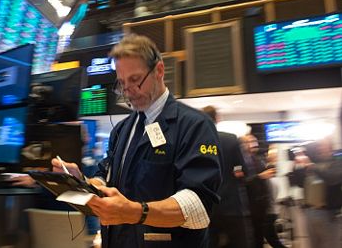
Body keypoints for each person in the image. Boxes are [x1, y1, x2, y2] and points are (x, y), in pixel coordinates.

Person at [52, 34, 222, 248]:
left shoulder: (195, 125)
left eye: (135, 80)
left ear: (159, 70)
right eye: (122, 83)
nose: (128, 91)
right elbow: (105, 177)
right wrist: (83, 183)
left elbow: (198, 205)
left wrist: (135, 212)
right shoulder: (122, 130)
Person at [202, 106, 252, 248]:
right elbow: (245, 170)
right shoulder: (230, 139)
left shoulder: (194, 141)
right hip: (232, 205)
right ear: (217, 119)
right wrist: (237, 176)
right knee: (239, 243)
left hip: (206, 207)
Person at [289, 137, 342, 248]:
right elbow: (300, 183)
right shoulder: (314, 163)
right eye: (319, 145)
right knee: (313, 245)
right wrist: (296, 167)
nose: (320, 148)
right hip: (310, 212)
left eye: (323, 145)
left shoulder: (337, 162)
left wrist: (311, 166)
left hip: (329, 214)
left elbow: (331, 178)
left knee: (331, 244)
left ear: (330, 147)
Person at [240, 134, 281, 248]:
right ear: (243, 145)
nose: (254, 144)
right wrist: (259, 176)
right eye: (250, 142)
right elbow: (241, 182)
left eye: (255, 142)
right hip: (248, 206)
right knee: (252, 239)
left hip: (262, 206)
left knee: (260, 238)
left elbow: (266, 182)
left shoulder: (258, 160)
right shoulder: (240, 161)